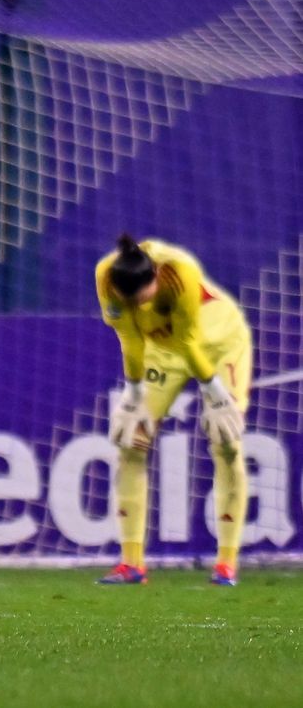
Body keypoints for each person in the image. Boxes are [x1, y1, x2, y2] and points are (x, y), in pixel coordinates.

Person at [96, 235, 251, 586]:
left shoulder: (180, 271)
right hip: (164, 352)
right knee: (131, 442)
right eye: (131, 301)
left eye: (144, 297)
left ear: (154, 279)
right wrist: (133, 395)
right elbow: (131, 340)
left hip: (220, 344)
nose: (140, 304)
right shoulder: (107, 276)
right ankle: (132, 563)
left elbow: (188, 341)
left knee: (225, 441)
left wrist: (216, 395)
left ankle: (226, 564)